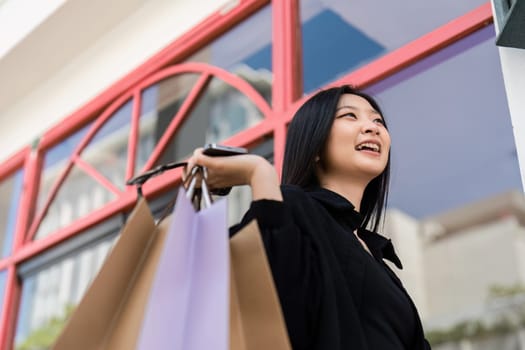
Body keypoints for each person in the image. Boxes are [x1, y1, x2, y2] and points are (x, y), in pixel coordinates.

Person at [184, 85, 431, 350]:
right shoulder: (293, 206)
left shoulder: (377, 255)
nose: (372, 127)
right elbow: (268, 304)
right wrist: (259, 174)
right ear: (314, 144)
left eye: (377, 120)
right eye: (350, 116)